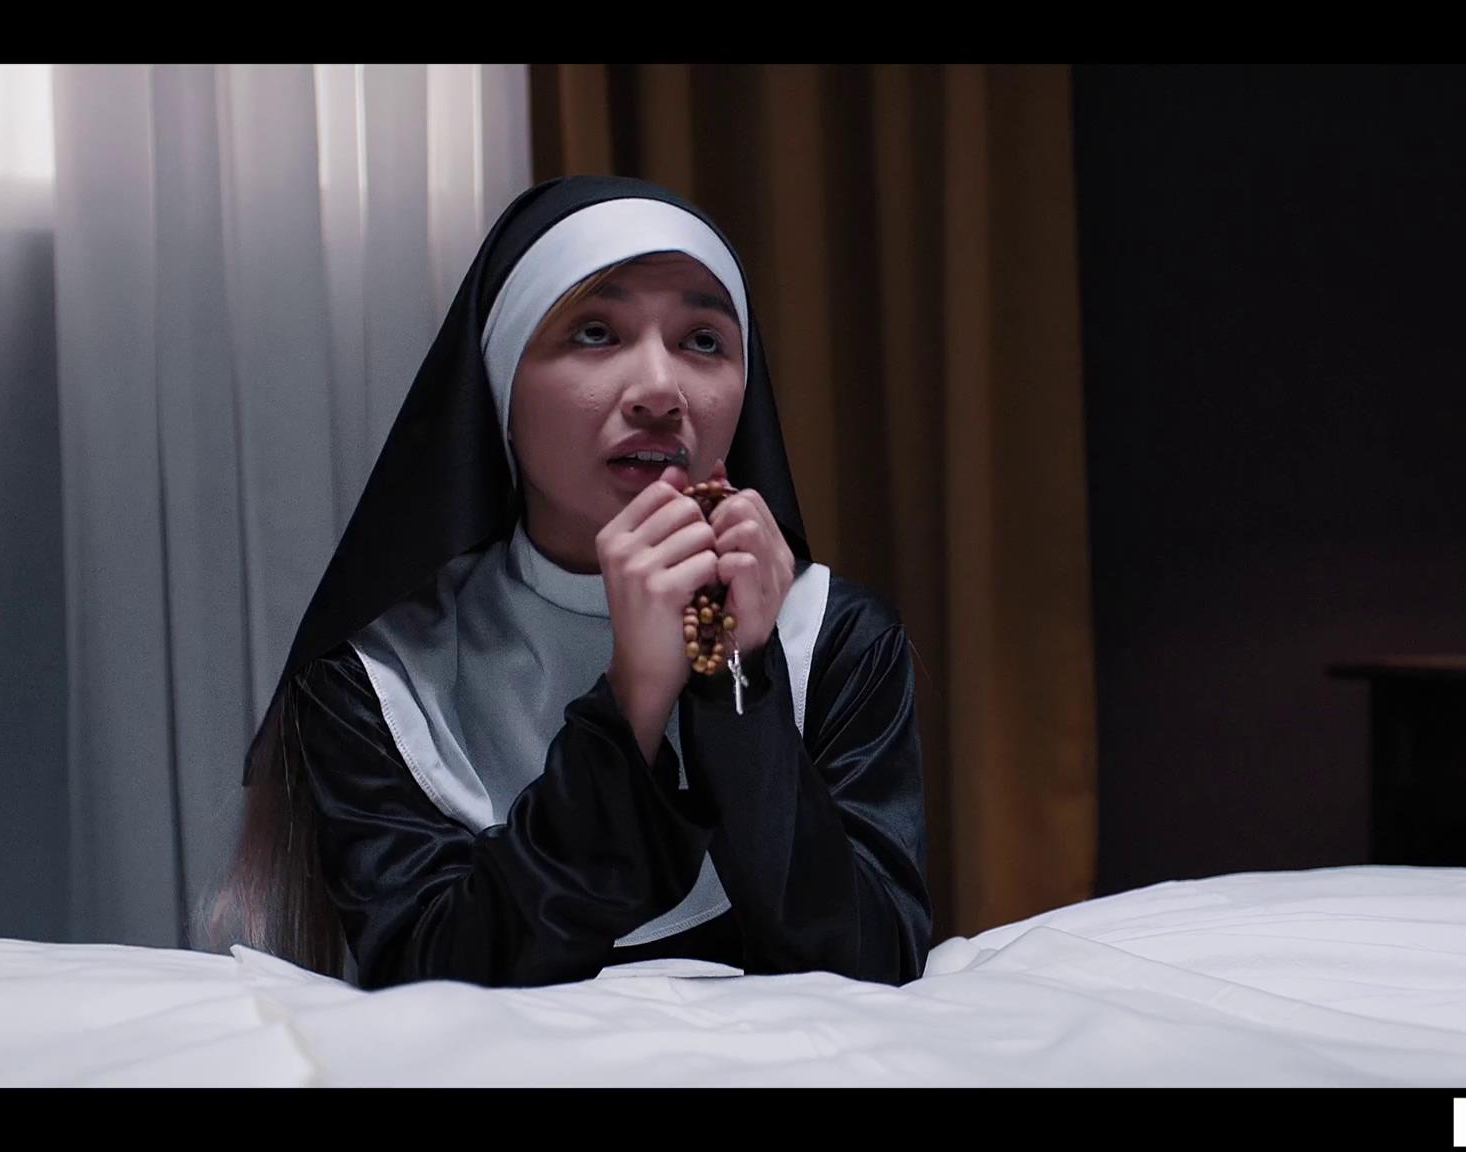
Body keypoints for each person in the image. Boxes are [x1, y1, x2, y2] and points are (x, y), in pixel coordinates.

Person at [208, 175, 932, 991]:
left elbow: (871, 966)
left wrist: (734, 669)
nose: (660, 391)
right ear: (500, 385)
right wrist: (632, 699)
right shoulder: (381, 677)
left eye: (703, 341)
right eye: (595, 332)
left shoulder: (837, 638)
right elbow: (431, 978)